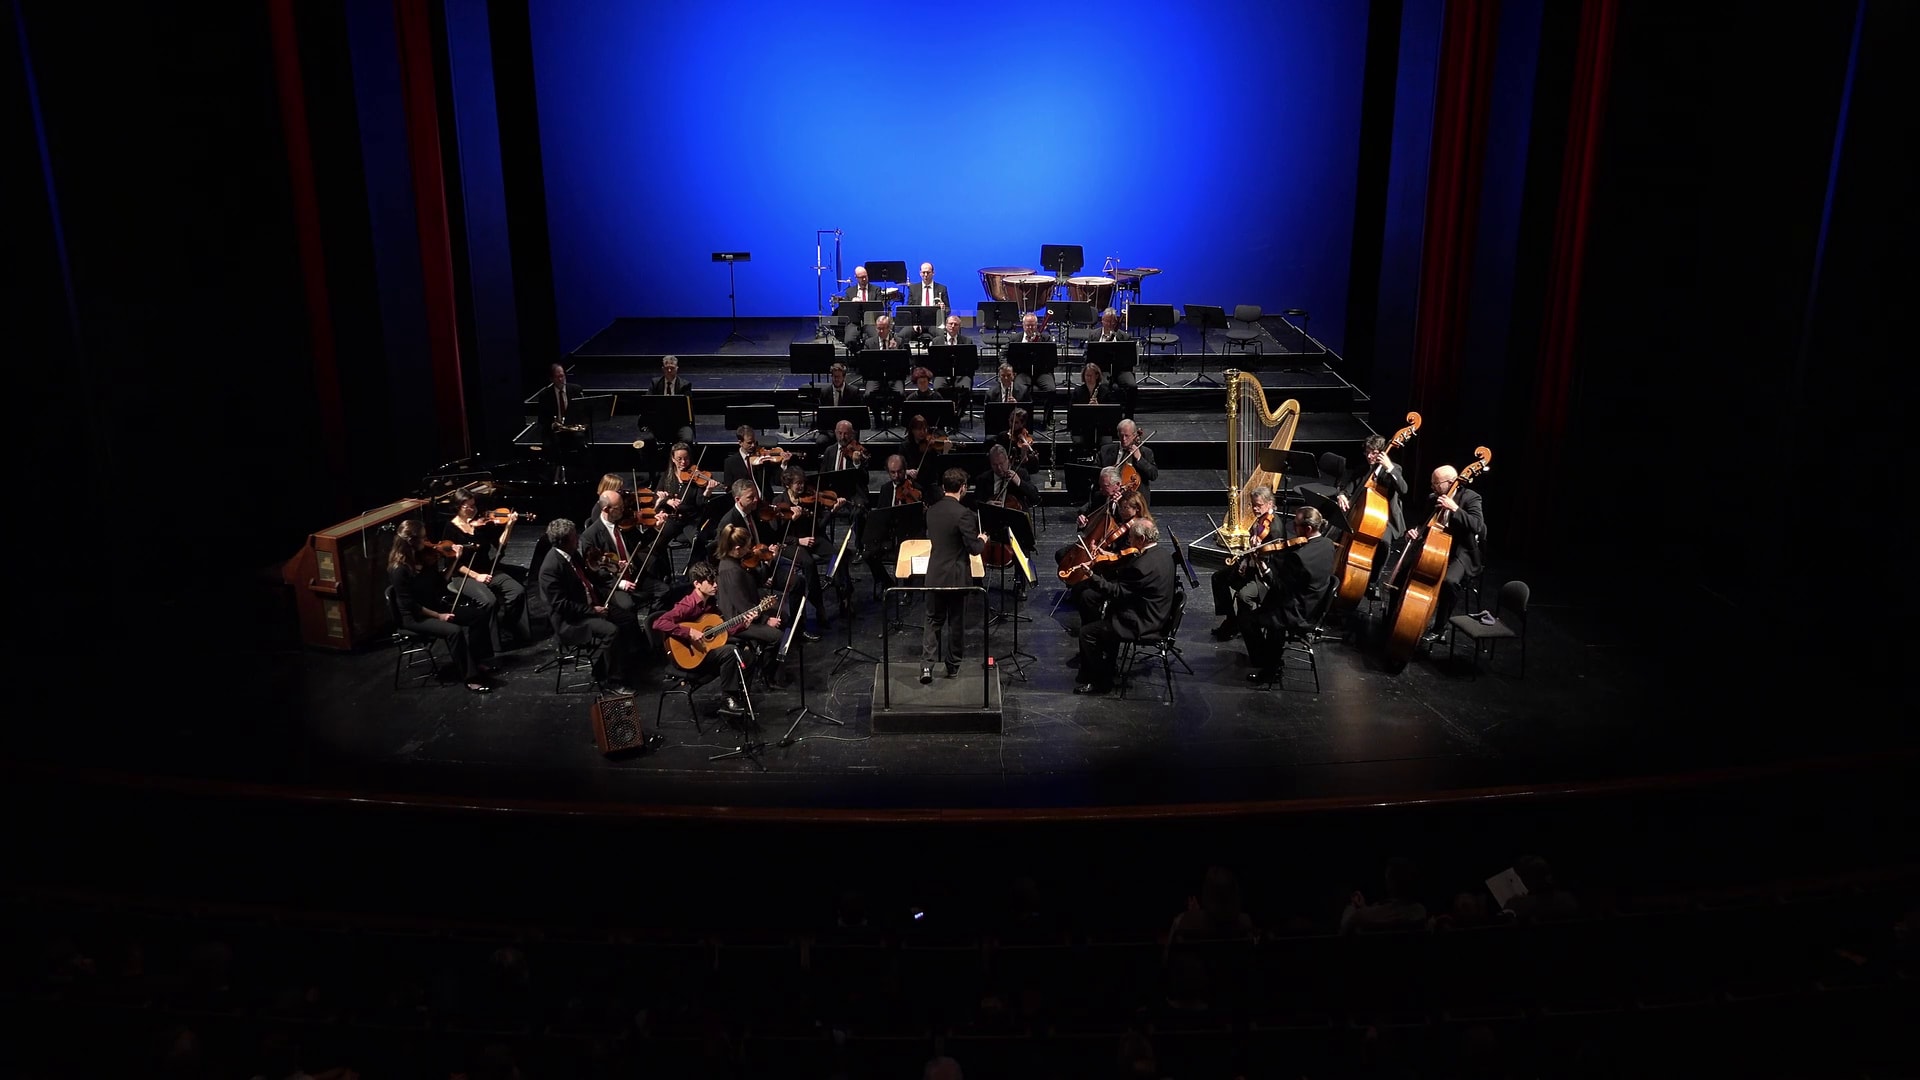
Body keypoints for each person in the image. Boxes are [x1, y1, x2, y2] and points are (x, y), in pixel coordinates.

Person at [389, 520, 495, 693]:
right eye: (423, 538)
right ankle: (470, 678)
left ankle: (477, 661)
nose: (427, 541)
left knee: (478, 616)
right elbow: (410, 605)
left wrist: (455, 560)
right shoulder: (399, 569)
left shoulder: (423, 558)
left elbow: (440, 584)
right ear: (411, 541)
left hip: (434, 605)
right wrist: (439, 616)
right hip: (415, 617)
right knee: (454, 631)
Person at [1074, 517, 1177, 695]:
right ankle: (1108, 667)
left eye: (1131, 537)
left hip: (1143, 622)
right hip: (1159, 614)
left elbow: (1117, 592)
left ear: (1142, 539)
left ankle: (1101, 682)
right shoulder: (1164, 555)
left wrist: (1092, 576)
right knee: (1107, 619)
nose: (1129, 541)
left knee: (1087, 633)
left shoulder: (1141, 566)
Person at [536, 517, 632, 695]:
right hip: (571, 620)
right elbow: (561, 605)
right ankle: (612, 681)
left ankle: (612, 667)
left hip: (589, 606)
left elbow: (589, 576)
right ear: (564, 541)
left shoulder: (572, 554)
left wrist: (612, 568)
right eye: (574, 537)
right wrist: (592, 610)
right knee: (611, 631)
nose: (578, 539)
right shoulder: (551, 567)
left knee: (627, 618)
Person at [1398, 464, 1486, 650]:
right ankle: (1398, 618)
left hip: (1462, 552)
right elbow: (1422, 525)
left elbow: (1477, 526)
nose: (1433, 487)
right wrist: (1414, 532)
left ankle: (1439, 628)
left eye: (1436, 484)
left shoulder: (1471, 497)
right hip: (1435, 547)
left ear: (1451, 482)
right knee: (1404, 570)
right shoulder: (1433, 498)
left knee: (1449, 581)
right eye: (1432, 484)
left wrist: (1455, 509)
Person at [1244, 506, 1337, 682]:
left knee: (1249, 620)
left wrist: (1263, 566)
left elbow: (1278, 587)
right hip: (1314, 604)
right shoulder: (1327, 544)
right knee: (1269, 608)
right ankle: (1272, 659)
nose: (1293, 528)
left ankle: (1268, 668)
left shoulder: (1299, 558)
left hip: (1296, 611)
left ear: (1308, 529)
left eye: (1296, 525)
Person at [651, 561, 748, 719]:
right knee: (730, 652)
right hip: (687, 657)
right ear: (697, 584)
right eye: (710, 582)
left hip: (703, 652)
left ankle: (737, 696)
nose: (715, 585)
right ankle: (728, 699)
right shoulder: (687, 605)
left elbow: (720, 632)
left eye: (715, 581)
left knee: (746, 654)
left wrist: (743, 624)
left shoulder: (710, 604)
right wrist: (689, 632)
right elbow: (659, 622)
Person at [921, 468, 987, 683]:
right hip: (956, 578)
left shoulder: (931, 511)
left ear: (943, 487)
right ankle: (952, 666)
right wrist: (982, 539)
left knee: (932, 620)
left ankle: (926, 667)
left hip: (934, 575)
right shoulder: (964, 514)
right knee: (956, 622)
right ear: (963, 488)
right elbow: (974, 549)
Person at [442, 490, 529, 649]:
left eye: (474, 505)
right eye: (468, 507)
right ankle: (493, 645)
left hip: (487, 569)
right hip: (464, 575)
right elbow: (452, 563)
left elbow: (500, 544)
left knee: (517, 591)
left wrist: (509, 526)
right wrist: (477, 576)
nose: (473, 510)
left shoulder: (482, 525)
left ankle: (510, 626)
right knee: (489, 601)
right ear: (458, 507)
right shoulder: (450, 529)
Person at [713, 523, 789, 693]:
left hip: (748, 612)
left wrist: (767, 564)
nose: (750, 549)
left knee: (783, 616)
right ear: (737, 548)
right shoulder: (731, 570)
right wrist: (765, 620)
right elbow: (742, 606)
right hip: (738, 621)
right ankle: (765, 675)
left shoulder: (734, 562)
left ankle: (771, 667)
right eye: (747, 546)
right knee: (776, 636)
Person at [1334, 434, 1409, 594]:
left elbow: (1403, 489)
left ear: (1382, 453)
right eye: (1367, 452)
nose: (1369, 456)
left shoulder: (1394, 469)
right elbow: (1348, 487)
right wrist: (1342, 495)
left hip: (1386, 518)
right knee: (1342, 532)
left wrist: (1389, 467)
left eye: (1374, 453)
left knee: (1384, 542)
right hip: (1363, 513)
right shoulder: (1363, 469)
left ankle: (1374, 580)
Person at [1210, 485, 1277, 640]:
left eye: (1258, 505)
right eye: (1253, 505)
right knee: (1218, 578)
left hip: (1262, 576)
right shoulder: (1259, 520)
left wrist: (1256, 558)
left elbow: (1272, 561)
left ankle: (1247, 627)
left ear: (1269, 504)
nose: (1255, 509)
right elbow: (1252, 548)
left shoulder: (1275, 528)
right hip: (1251, 567)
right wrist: (1246, 560)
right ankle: (1231, 620)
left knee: (1244, 595)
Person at [1088, 308, 1138, 411]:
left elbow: (1129, 359)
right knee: (1104, 385)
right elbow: (1087, 356)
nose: (1109, 324)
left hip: (1121, 369)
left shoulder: (1124, 336)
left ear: (1116, 322)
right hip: (1101, 369)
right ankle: (1103, 414)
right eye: (1107, 321)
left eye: (1112, 322)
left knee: (1132, 386)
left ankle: (1129, 415)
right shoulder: (1093, 335)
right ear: (1102, 321)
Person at [1096, 418, 1158, 501]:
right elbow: (1095, 472)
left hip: (1135, 499)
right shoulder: (1105, 450)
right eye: (1121, 435)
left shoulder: (1145, 452)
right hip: (1108, 496)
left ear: (1134, 435)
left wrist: (1139, 458)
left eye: (1127, 436)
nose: (1124, 439)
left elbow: (1153, 475)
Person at [644, 354, 696, 446]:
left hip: (679, 423)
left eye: (672, 368)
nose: (669, 371)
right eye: (666, 368)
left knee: (687, 439)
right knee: (647, 439)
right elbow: (647, 403)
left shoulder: (685, 385)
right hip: (659, 422)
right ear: (662, 369)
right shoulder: (655, 383)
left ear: (677, 368)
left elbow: (687, 409)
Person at [1015, 312, 1057, 424]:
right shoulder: (1016, 338)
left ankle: (1047, 420)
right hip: (1023, 372)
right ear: (1023, 325)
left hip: (1041, 372)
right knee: (1020, 389)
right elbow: (1004, 354)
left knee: (1051, 390)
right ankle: (1024, 420)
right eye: (1027, 325)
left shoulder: (1046, 338)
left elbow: (1052, 359)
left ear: (1037, 325)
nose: (1030, 328)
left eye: (1032, 325)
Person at [990, 406, 1041, 473]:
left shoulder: (1028, 439)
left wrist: (1025, 457)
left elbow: (1034, 468)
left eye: (1016, 422)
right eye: (1011, 421)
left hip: (1023, 471)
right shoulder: (1002, 436)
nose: (1012, 424)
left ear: (1022, 424)